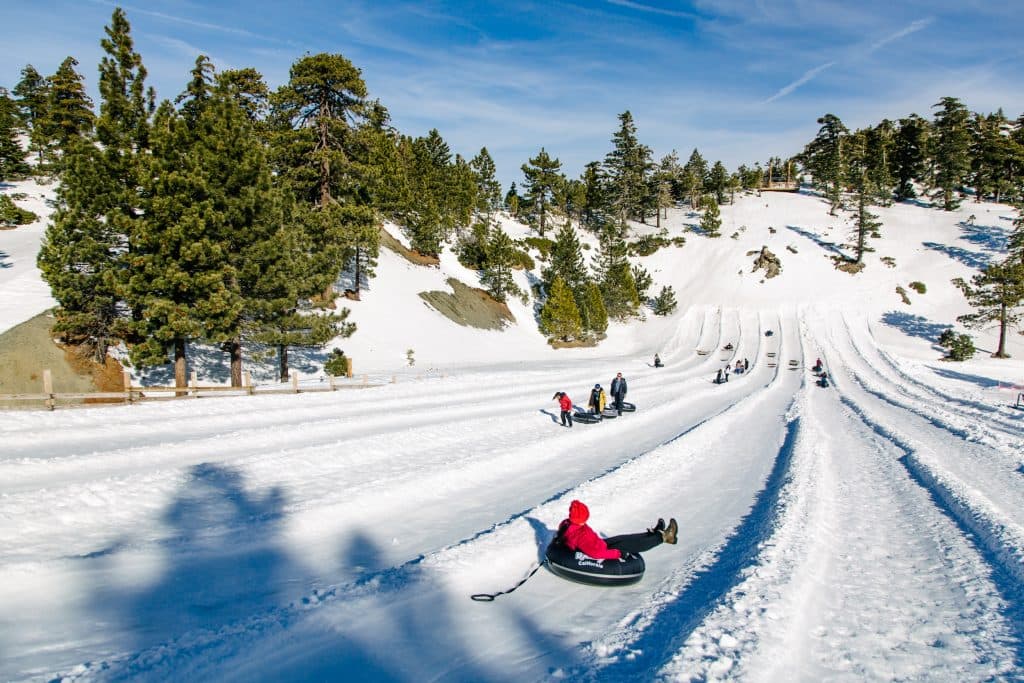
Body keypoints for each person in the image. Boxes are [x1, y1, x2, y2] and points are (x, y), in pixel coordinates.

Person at [555, 500, 677, 560]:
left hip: (599, 543)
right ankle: (664, 537)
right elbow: (595, 554)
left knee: (626, 538)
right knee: (635, 544)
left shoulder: (567, 524)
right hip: (601, 549)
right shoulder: (581, 535)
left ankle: (655, 533)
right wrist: (618, 554)